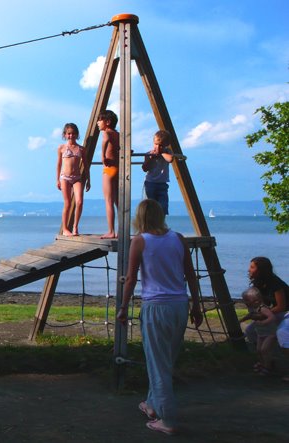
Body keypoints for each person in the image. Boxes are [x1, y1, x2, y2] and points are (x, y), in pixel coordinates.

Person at [117, 199, 202, 436]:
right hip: (179, 305)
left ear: (140, 217)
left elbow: (131, 279)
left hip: (156, 306)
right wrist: (196, 305)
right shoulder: (178, 238)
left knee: (157, 362)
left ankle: (168, 418)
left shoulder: (140, 241)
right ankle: (153, 405)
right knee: (167, 359)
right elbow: (191, 275)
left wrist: (124, 307)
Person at [244, 256, 288, 356]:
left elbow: (281, 306)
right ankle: (265, 356)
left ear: (261, 270)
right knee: (249, 331)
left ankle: (271, 355)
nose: (248, 269)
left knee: (281, 332)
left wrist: (264, 314)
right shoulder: (258, 283)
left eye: (252, 267)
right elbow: (261, 303)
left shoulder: (275, 283)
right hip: (275, 313)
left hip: (286, 313)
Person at [56, 122, 90, 236]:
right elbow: (58, 164)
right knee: (67, 203)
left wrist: (89, 180)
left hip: (77, 178)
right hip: (64, 177)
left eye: (74, 133)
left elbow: (85, 165)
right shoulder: (61, 148)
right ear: (65, 134)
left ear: (77, 134)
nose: (71, 136)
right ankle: (65, 229)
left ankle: (75, 227)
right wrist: (57, 180)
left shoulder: (81, 149)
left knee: (79, 202)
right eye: (69, 133)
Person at [239, 287, 278, 375]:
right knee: (258, 350)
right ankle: (263, 364)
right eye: (244, 300)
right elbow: (250, 315)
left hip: (270, 333)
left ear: (257, 301)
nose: (245, 302)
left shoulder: (263, 309)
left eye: (247, 300)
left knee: (264, 349)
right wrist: (242, 319)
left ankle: (268, 367)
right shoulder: (252, 308)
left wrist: (264, 322)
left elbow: (272, 317)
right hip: (261, 333)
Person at [97, 110, 119, 239]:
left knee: (108, 201)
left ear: (107, 122)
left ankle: (111, 231)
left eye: (100, 120)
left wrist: (103, 157)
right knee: (117, 202)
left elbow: (105, 142)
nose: (98, 123)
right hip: (118, 168)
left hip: (109, 169)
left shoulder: (106, 133)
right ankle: (122, 229)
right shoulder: (118, 134)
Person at [141, 130, 174, 215]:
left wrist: (162, 153)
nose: (158, 147)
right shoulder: (149, 154)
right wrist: (151, 158)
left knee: (162, 207)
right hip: (150, 183)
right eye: (156, 144)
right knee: (151, 206)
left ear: (166, 145)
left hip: (162, 184)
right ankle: (151, 225)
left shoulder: (167, 152)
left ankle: (161, 225)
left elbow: (170, 159)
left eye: (161, 145)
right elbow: (144, 168)